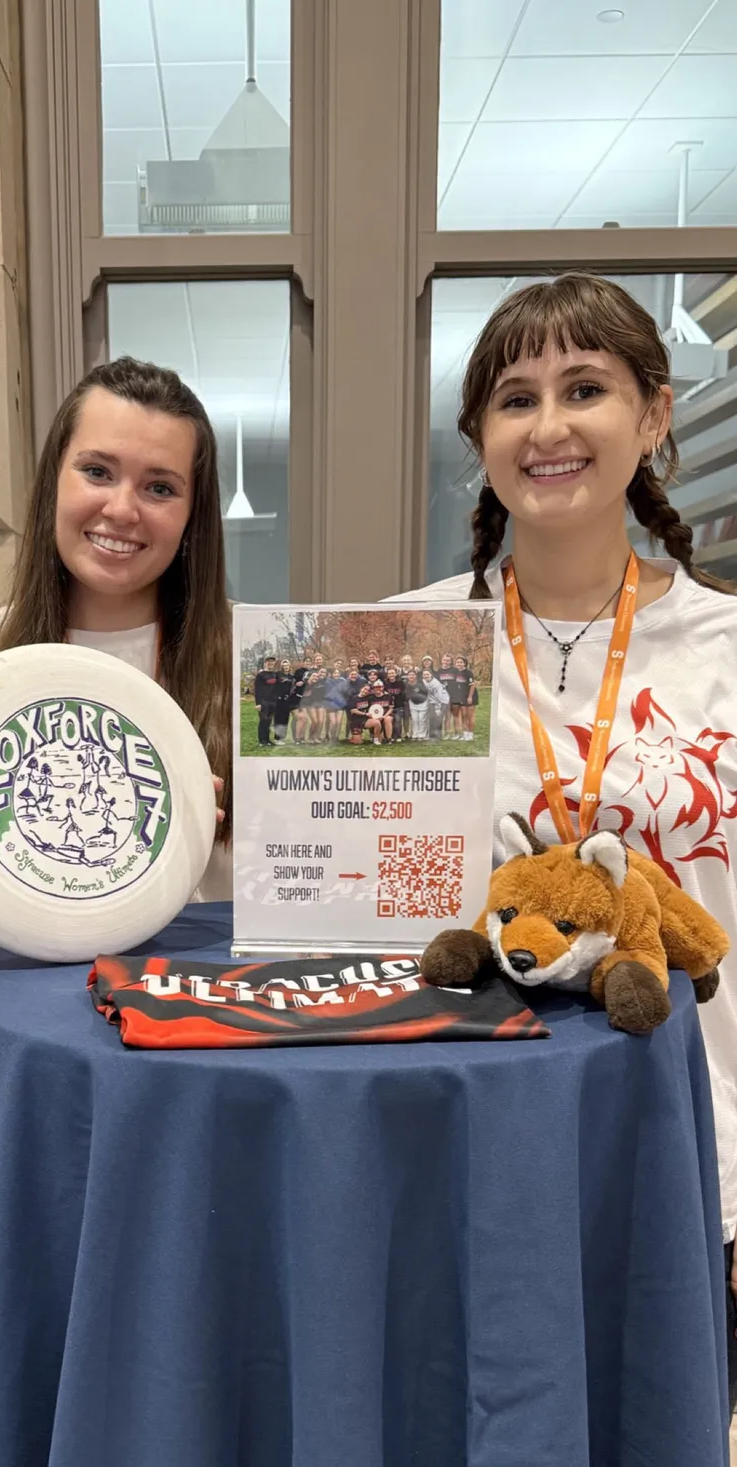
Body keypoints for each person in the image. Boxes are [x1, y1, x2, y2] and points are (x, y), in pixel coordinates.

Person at [388, 271, 737, 1412]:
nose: (546, 427)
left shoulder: (726, 651)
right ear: (477, 437)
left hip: (691, 1153)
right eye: (512, 397)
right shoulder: (398, 649)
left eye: (581, 388)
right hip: (452, 1154)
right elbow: (345, 901)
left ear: (652, 414)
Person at [0, 357, 231, 899]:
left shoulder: (252, 667)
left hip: (209, 978)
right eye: (97, 472)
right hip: (19, 979)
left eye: (160, 488)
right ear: (53, 482)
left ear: (191, 517)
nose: (122, 509)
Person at [254, 655, 281, 746]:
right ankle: (262, 741)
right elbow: (256, 689)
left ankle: (267, 740)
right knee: (263, 720)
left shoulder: (274, 674)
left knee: (269, 721)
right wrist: (258, 703)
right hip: (263, 701)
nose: (270, 663)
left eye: (272, 661)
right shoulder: (260, 675)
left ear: (274, 663)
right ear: (265, 663)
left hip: (272, 701)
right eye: (268, 661)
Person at [273, 657, 296, 744]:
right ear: (282, 666)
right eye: (284, 665)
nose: (286, 667)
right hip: (279, 700)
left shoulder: (291, 676)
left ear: (289, 666)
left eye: (287, 665)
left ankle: (282, 738)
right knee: (278, 719)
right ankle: (277, 738)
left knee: (285, 719)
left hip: (287, 700)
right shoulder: (278, 674)